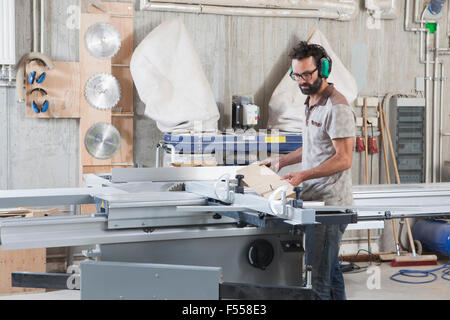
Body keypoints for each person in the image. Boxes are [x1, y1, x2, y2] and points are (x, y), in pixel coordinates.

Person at [260, 41, 356, 300]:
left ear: (323, 69)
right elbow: (312, 146)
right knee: (330, 268)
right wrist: (281, 161)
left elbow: (344, 159)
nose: (301, 80)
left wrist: (303, 175)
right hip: (314, 199)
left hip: (330, 206)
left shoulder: (337, 107)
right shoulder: (311, 101)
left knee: (320, 279)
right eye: (297, 75)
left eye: (307, 74)